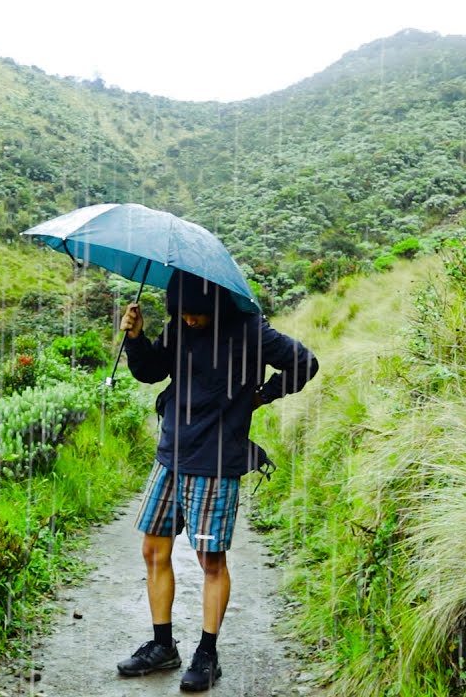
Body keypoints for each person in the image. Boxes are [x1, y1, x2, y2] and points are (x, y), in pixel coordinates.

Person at [114, 269, 319, 691]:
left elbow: (305, 363)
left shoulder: (250, 329)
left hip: (217, 459)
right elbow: (152, 371)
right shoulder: (180, 326)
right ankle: (162, 645)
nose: (190, 320)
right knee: (153, 550)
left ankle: (207, 654)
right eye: (183, 313)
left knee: (210, 561)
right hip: (171, 454)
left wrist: (263, 394)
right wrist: (135, 338)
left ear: (215, 306)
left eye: (197, 313)